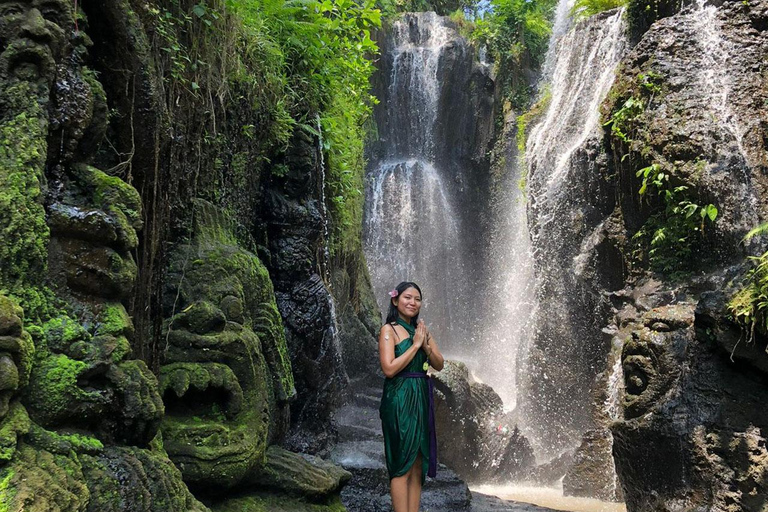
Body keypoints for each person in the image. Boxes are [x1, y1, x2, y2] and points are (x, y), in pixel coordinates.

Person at [378, 281, 445, 512]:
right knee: (402, 463)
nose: (412, 302)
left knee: (417, 463)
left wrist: (426, 346)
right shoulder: (389, 330)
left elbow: (439, 364)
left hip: (421, 396)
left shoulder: (422, 331)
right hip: (399, 397)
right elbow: (389, 368)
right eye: (407, 297)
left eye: (417, 299)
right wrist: (415, 346)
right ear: (395, 300)